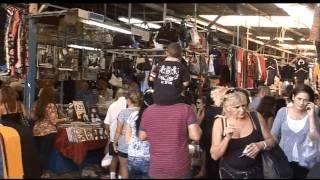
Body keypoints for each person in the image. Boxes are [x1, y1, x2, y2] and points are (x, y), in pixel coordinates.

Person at [211, 88, 275, 179]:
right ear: (228, 107)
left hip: (255, 172)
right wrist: (227, 138)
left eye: (244, 106)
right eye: (237, 107)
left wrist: (261, 145)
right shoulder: (220, 122)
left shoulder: (255, 117)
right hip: (229, 173)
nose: (242, 110)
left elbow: (272, 141)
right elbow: (215, 156)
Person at [139, 103, 202, 178]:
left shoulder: (148, 111)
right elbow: (196, 136)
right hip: (180, 166)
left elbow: (142, 136)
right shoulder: (186, 109)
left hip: (157, 166)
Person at [271, 84, 320, 179]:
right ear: (293, 97)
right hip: (283, 161)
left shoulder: (313, 114)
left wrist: (311, 116)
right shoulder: (282, 112)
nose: (301, 103)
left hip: (306, 163)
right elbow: (274, 136)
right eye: (299, 99)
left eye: (305, 100)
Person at [0, 86, 42, 178]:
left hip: (9, 129)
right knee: (27, 157)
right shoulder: (19, 104)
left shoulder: (2, 105)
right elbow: (26, 117)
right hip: (23, 130)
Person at [31, 87, 66, 178]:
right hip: (48, 132)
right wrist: (65, 119)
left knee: (38, 153)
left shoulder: (36, 104)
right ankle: (43, 173)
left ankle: (36, 172)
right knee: (44, 153)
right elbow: (54, 121)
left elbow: (33, 117)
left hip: (37, 131)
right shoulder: (51, 105)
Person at [125, 89, 154, 179]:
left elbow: (127, 140)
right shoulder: (155, 117)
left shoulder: (133, 115)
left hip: (132, 156)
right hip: (148, 157)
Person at [113, 92, 141, 179]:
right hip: (139, 146)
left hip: (125, 145)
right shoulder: (143, 112)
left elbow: (118, 130)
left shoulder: (124, 113)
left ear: (129, 100)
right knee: (138, 171)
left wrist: (114, 142)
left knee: (124, 167)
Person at [104, 88, 128, 179]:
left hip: (114, 136)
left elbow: (106, 123)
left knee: (114, 158)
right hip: (125, 138)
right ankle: (121, 177)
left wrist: (109, 134)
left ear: (117, 95)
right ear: (126, 95)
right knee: (123, 161)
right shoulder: (128, 105)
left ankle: (112, 176)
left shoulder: (112, 105)